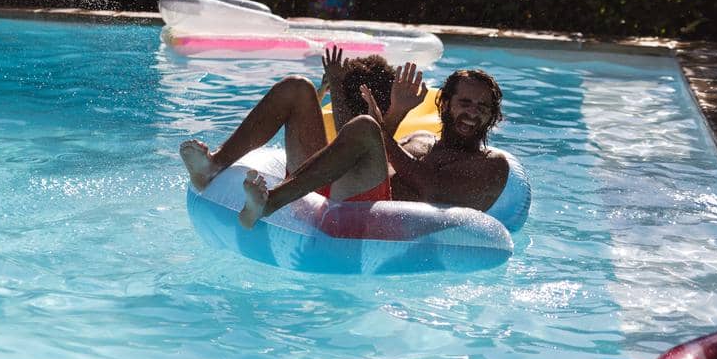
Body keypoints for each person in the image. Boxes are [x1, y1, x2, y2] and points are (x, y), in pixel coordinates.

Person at [179, 47, 510, 228]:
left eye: (483, 107)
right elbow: (371, 152)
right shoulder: (422, 139)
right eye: (465, 102)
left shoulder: (492, 164)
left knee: (366, 125)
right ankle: (214, 164)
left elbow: (432, 186)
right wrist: (396, 113)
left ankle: (271, 201)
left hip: (371, 214)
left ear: (493, 115)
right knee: (296, 88)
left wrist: (384, 124)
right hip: (334, 187)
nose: (473, 112)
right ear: (445, 103)